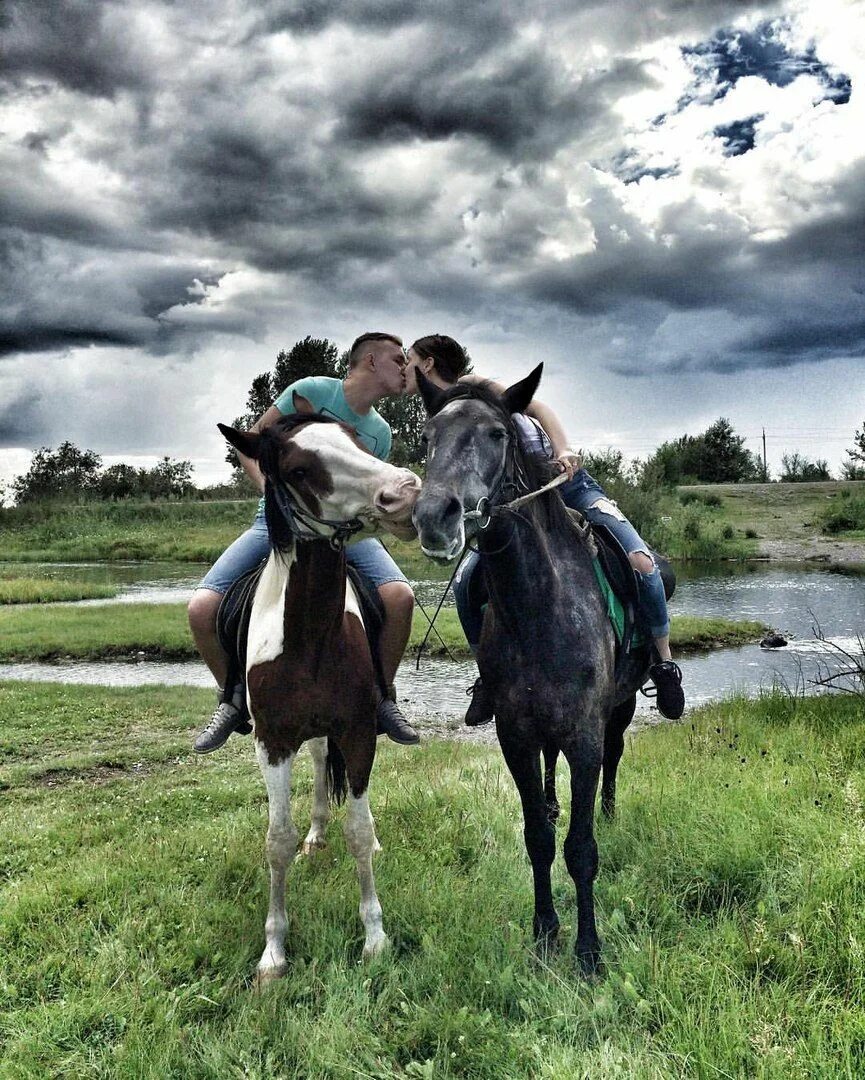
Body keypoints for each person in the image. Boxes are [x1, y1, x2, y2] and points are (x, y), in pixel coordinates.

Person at [403, 334, 685, 723]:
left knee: (641, 563)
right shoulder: (442, 414)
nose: (403, 365)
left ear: (428, 364)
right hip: (520, 501)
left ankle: (664, 664)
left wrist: (564, 448)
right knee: (466, 583)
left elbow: (540, 408)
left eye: (408, 358)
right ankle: (487, 676)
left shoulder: (478, 385)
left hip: (568, 486)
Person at [188, 332, 420, 753]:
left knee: (401, 596)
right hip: (275, 525)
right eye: (398, 359)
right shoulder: (310, 391)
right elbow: (252, 444)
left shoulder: (380, 433)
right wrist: (272, 494)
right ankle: (232, 697)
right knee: (201, 607)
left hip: (343, 535)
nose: (406, 368)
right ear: (370, 361)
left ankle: (382, 695)